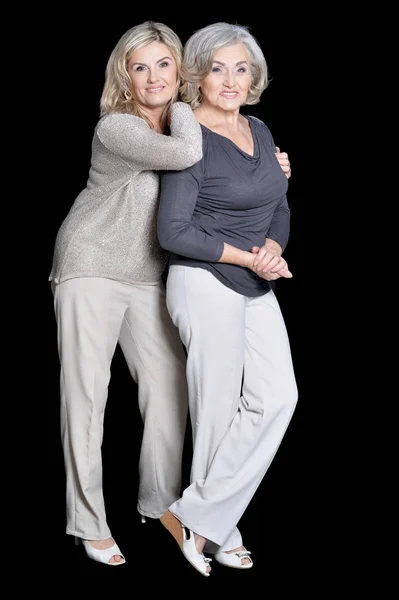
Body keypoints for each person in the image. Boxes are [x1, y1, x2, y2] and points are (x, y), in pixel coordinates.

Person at [49, 20, 292, 567]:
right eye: (141, 66)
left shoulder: (202, 125)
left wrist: (268, 169)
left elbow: (224, 173)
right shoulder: (120, 127)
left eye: (165, 64)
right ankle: (88, 522)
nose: (155, 77)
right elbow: (187, 153)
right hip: (92, 266)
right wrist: (205, 120)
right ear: (125, 77)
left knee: (168, 394)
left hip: (151, 275)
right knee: (86, 397)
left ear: (178, 69)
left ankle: (166, 508)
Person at [157, 22, 298, 576]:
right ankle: (219, 528)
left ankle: (196, 517)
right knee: (216, 409)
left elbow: (277, 203)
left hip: (252, 278)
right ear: (197, 74)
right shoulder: (190, 137)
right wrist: (249, 257)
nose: (230, 79)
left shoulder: (260, 130)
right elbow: (172, 231)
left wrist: (273, 248)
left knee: (277, 398)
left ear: (254, 76)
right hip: (201, 278)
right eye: (217, 68)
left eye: (241, 68)